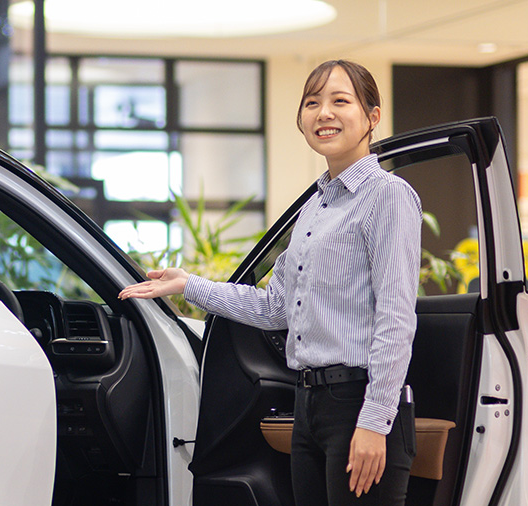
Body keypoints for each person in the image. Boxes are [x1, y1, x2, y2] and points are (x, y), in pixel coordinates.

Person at [119, 59, 421, 505]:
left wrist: (376, 420)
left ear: (372, 116)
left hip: (359, 404)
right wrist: (188, 284)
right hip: (309, 405)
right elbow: (276, 307)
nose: (324, 113)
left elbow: (396, 317)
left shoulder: (388, 195)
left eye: (340, 101)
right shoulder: (314, 208)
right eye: (312, 103)